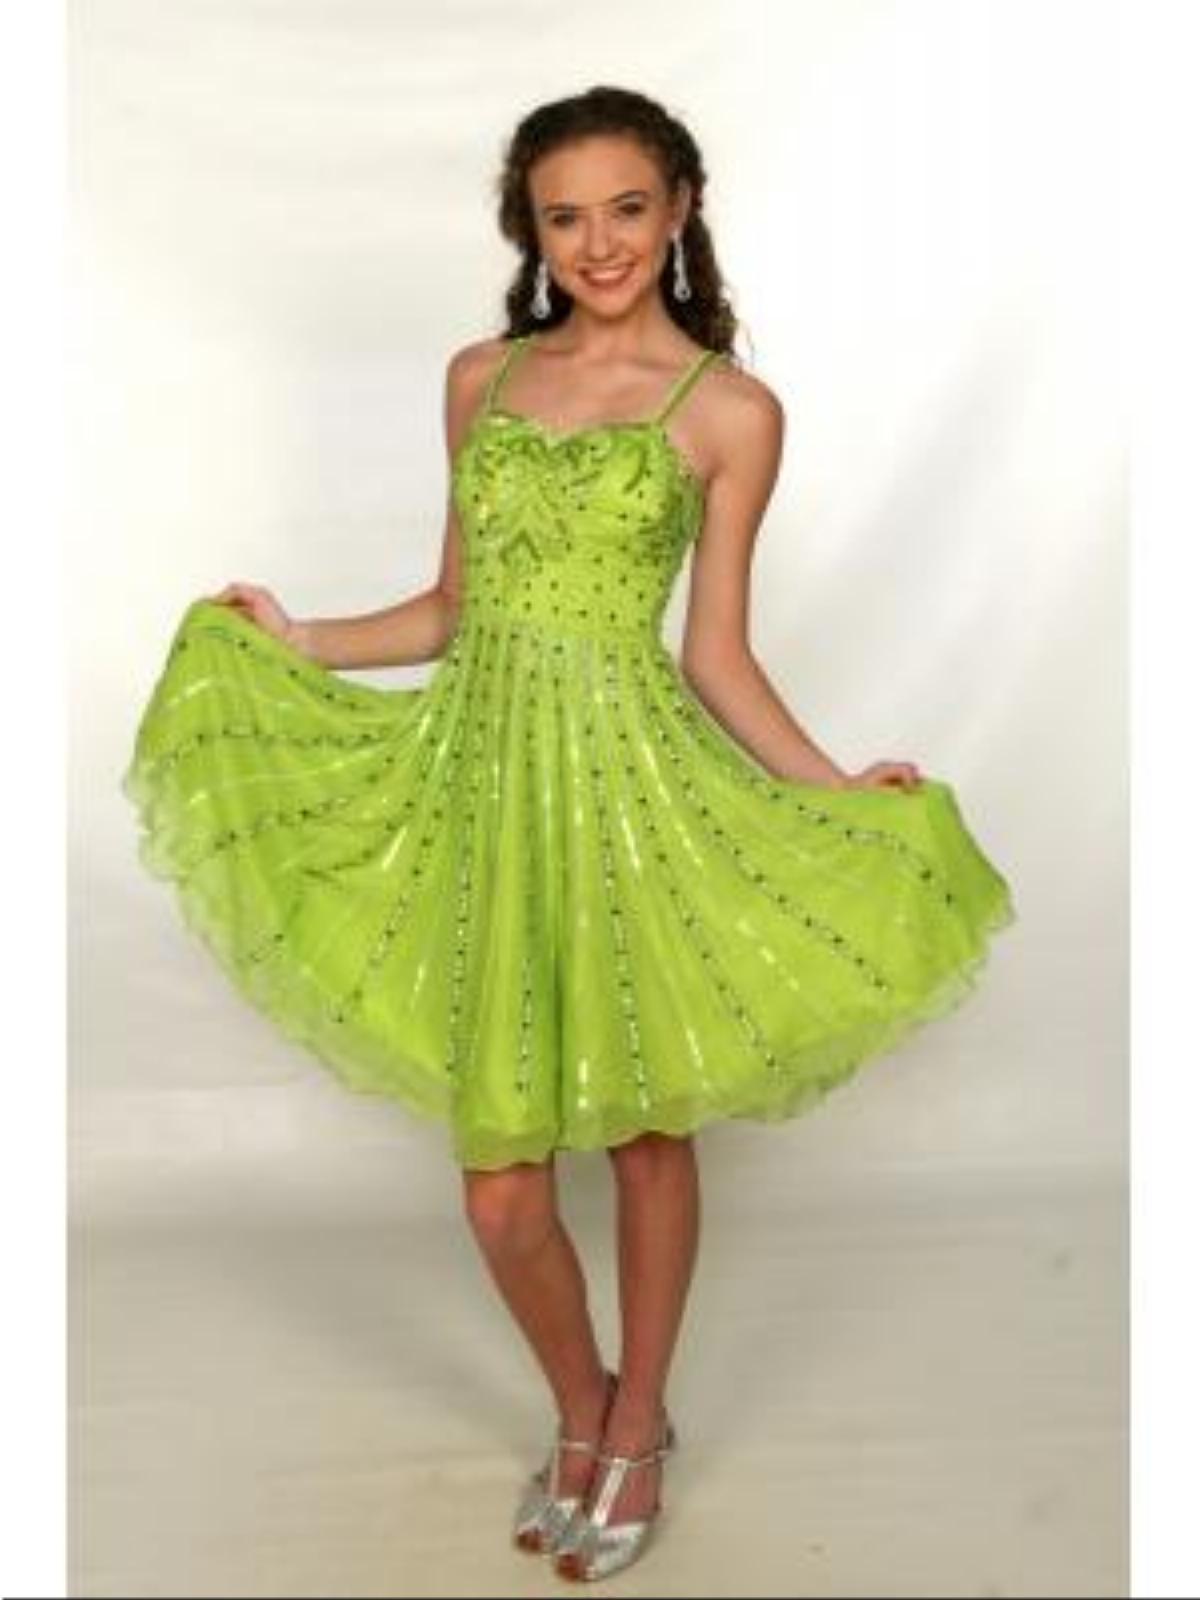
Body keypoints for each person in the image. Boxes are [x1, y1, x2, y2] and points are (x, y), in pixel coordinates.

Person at [122, 84, 1015, 1583]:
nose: (598, 243)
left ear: (679, 210)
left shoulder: (729, 412)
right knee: (503, 1191)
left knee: (650, 1132)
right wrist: (296, 636)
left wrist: (834, 786)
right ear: (528, 233)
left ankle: (638, 1426)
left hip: (625, 794)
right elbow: (451, 609)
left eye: (626, 209)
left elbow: (715, 654)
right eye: (564, 217)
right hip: (481, 788)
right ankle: (582, 1403)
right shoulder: (482, 379)